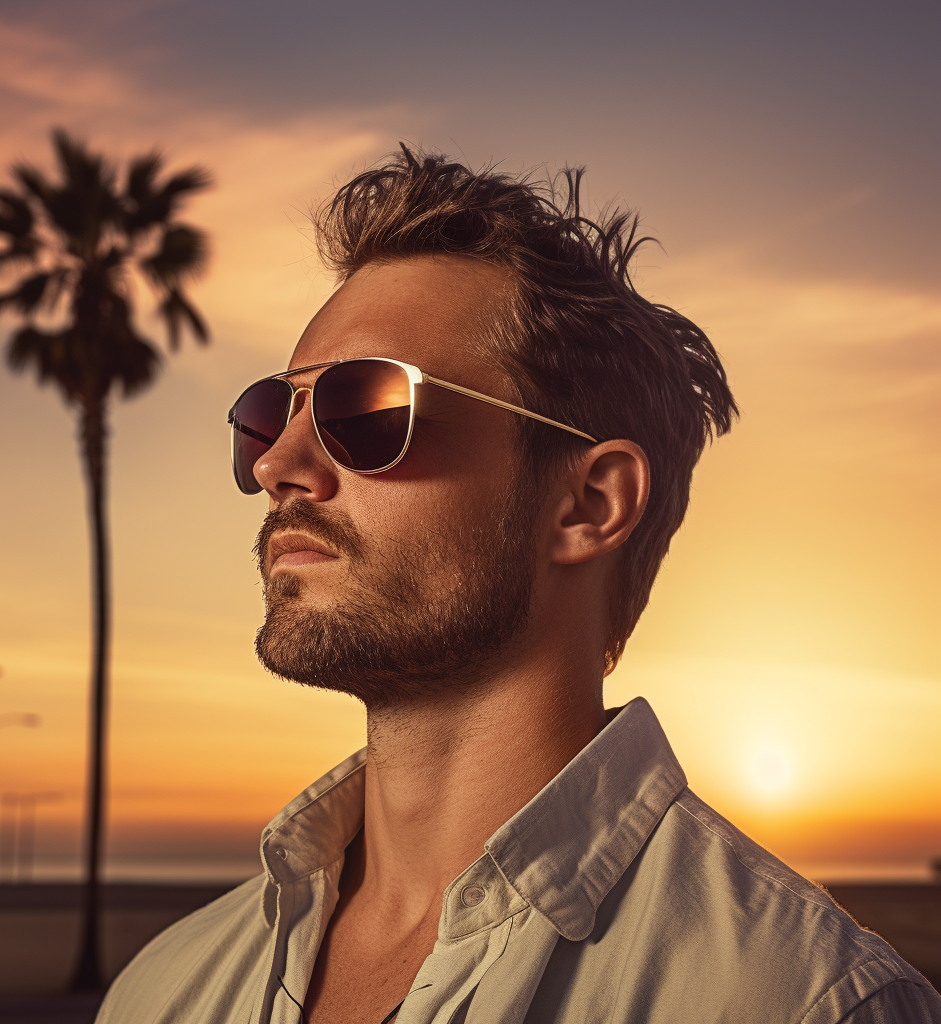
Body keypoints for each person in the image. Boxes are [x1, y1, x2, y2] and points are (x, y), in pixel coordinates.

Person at [96, 147, 940, 1024]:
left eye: (366, 411)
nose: (279, 463)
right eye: (272, 413)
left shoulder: (804, 1002)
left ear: (588, 503)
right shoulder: (164, 991)